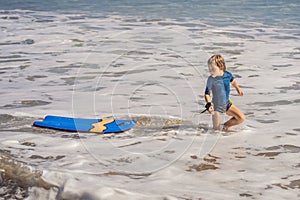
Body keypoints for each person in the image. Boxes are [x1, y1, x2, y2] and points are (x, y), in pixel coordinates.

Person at [204, 54, 245, 131]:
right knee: (215, 130)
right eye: (209, 69)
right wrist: (208, 104)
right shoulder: (211, 79)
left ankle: (225, 126)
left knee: (241, 118)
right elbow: (207, 93)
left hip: (227, 104)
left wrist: (238, 89)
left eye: (212, 69)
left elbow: (233, 81)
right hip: (216, 107)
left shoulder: (227, 75)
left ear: (220, 66)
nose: (210, 71)